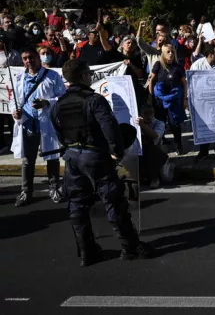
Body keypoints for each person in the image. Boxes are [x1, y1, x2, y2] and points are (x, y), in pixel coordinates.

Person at [50, 59, 154, 266]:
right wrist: (117, 151)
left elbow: (58, 131)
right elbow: (110, 128)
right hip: (95, 157)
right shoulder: (94, 100)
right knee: (114, 201)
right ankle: (130, 247)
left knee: (77, 205)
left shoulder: (59, 104)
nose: (90, 76)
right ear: (82, 76)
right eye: (88, 73)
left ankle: (86, 252)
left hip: (72, 157)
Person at [11, 47, 67, 207]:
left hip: (47, 123)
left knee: (52, 157)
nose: (28, 61)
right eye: (25, 58)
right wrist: (14, 112)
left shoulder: (52, 76)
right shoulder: (20, 78)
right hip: (28, 124)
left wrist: (47, 102)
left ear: (38, 57)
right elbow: (13, 99)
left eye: (31, 57)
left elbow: (62, 97)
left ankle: (54, 188)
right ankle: (26, 191)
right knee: (28, 160)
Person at [191, 44, 215, 162]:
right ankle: (204, 151)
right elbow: (192, 83)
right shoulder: (197, 65)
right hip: (203, 103)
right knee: (205, 127)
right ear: (211, 55)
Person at [149, 44, 187, 155]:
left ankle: (178, 146)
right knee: (160, 122)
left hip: (174, 99)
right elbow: (152, 80)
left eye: (172, 52)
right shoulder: (158, 65)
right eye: (168, 52)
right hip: (160, 100)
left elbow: (184, 83)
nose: (170, 54)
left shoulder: (178, 67)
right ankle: (160, 145)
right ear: (163, 54)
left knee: (175, 124)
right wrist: (152, 96)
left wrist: (185, 98)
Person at [136, 104, 168, 189]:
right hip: (140, 152)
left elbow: (156, 136)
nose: (148, 116)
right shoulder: (136, 123)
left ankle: (154, 178)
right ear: (141, 114)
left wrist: (143, 126)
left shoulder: (159, 123)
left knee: (150, 149)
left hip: (156, 152)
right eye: (146, 113)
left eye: (151, 113)